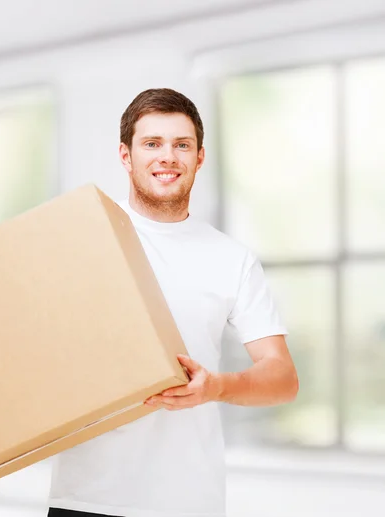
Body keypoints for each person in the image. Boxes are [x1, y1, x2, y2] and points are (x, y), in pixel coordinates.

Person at [46, 88, 299, 517]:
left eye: (181, 145)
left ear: (199, 157)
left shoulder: (230, 258)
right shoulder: (82, 239)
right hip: (85, 497)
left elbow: (282, 378)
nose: (168, 157)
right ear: (126, 156)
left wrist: (216, 386)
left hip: (186, 502)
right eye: (152, 144)